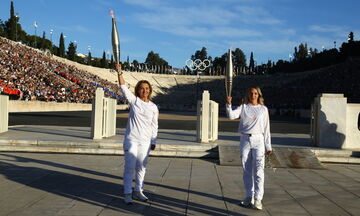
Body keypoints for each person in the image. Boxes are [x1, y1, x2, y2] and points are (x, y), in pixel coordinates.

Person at [117, 64, 159, 205]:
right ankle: (127, 193)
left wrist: (154, 141)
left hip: (146, 141)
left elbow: (155, 125)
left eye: (147, 89)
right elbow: (123, 87)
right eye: (142, 88)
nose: (144, 91)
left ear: (150, 90)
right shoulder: (134, 101)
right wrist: (119, 72)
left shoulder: (153, 107)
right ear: (137, 90)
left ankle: (138, 190)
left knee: (141, 167)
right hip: (132, 139)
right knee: (129, 167)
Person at [225, 87, 272, 210]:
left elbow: (267, 129)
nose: (253, 95)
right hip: (245, 140)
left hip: (259, 140)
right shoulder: (243, 107)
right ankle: (248, 196)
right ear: (248, 94)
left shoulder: (263, 109)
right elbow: (231, 116)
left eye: (255, 93)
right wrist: (228, 104)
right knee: (246, 170)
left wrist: (268, 146)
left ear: (259, 95)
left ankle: (258, 199)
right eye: (251, 93)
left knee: (258, 170)